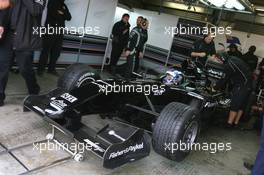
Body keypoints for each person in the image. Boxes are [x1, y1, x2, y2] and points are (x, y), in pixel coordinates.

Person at [0, 0, 45, 106]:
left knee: (25, 68)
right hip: (7, 36)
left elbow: (36, 10)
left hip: (25, 37)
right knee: (2, 67)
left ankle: (34, 90)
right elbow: (3, 9)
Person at [213, 53, 253, 128]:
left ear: (222, 58)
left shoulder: (229, 65)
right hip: (249, 84)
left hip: (242, 85)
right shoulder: (233, 58)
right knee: (241, 105)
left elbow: (223, 79)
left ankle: (229, 124)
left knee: (235, 104)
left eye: (218, 60)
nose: (218, 62)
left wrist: (214, 88)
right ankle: (235, 123)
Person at [37, 0, 71, 76]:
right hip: (50, 30)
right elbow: (53, 14)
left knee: (56, 52)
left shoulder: (64, 5)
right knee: (45, 51)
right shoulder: (52, 2)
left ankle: (51, 69)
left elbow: (69, 17)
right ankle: (40, 70)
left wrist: (62, 13)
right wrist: (62, 14)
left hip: (60, 32)